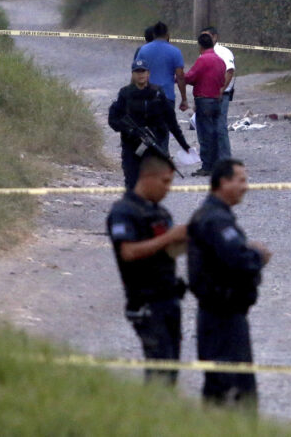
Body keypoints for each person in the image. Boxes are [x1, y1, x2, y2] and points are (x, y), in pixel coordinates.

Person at [187, 159, 271, 408]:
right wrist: (257, 255)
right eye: (241, 180)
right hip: (222, 318)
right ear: (223, 182)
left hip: (224, 316)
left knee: (224, 393)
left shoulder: (215, 215)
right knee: (232, 395)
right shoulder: (215, 220)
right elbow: (238, 260)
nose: (246, 186)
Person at [105, 151, 189, 385]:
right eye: (165, 182)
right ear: (147, 177)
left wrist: (188, 240)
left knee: (170, 370)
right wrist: (169, 237)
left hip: (169, 298)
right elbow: (128, 252)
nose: (168, 188)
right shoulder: (124, 212)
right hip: (146, 302)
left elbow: (168, 251)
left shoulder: (160, 213)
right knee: (159, 373)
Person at [108, 59, 191, 191]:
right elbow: (113, 120)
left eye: (143, 71)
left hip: (154, 146)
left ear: (148, 74)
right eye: (137, 72)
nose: (140, 75)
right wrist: (129, 130)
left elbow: (171, 121)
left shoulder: (157, 93)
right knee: (132, 182)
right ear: (132, 74)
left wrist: (184, 144)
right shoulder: (125, 93)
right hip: (131, 146)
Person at [184, 32, 226, 177]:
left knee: (205, 135)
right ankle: (216, 164)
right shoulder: (220, 61)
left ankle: (207, 166)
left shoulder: (203, 60)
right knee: (214, 133)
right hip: (216, 100)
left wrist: (177, 77)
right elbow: (222, 81)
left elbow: (190, 77)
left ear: (200, 45)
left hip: (204, 100)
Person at [133, 21, 188, 113]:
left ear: (154, 34)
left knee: (149, 125)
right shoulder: (175, 52)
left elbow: (136, 73)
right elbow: (180, 77)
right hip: (167, 96)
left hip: (148, 96)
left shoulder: (143, 50)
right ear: (167, 35)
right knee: (166, 125)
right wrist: (184, 99)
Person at [201, 26, 235, 162]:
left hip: (221, 95)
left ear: (215, 37)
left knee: (220, 127)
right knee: (208, 128)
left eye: (208, 36)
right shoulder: (203, 52)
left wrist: (222, 89)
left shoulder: (224, 52)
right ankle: (212, 158)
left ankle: (225, 158)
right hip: (207, 96)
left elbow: (230, 71)